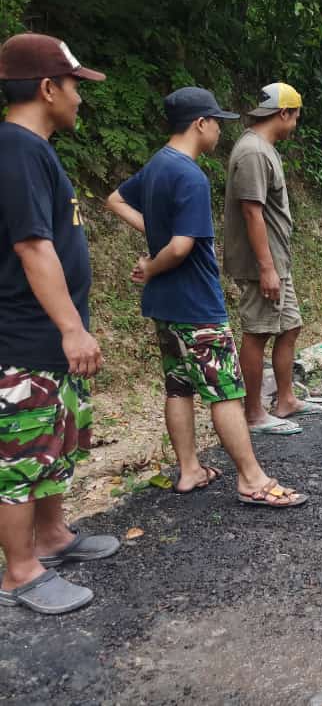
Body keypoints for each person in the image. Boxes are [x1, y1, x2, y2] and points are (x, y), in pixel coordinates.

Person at [106, 87, 307, 509]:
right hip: (196, 302)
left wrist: (153, 245)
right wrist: (154, 263)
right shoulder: (191, 175)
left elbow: (114, 200)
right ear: (200, 124)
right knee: (227, 391)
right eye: (216, 122)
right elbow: (180, 247)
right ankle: (253, 480)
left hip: (165, 305)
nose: (219, 130)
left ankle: (190, 469)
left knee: (178, 385)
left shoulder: (158, 165)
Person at [0, 33, 119, 615]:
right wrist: (72, 327)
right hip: (24, 337)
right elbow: (31, 246)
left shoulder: (35, 150)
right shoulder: (17, 150)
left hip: (48, 339)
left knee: (55, 445)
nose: (80, 98)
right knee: (23, 456)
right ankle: (19, 572)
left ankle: (52, 537)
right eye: (75, 86)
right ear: (47, 88)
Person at [223, 82, 322, 436]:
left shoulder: (265, 148)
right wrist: (266, 267)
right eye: (295, 116)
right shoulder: (253, 152)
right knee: (258, 332)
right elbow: (251, 212)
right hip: (261, 266)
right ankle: (253, 413)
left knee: (290, 324)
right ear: (283, 113)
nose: (295, 124)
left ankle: (286, 399)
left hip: (277, 262)